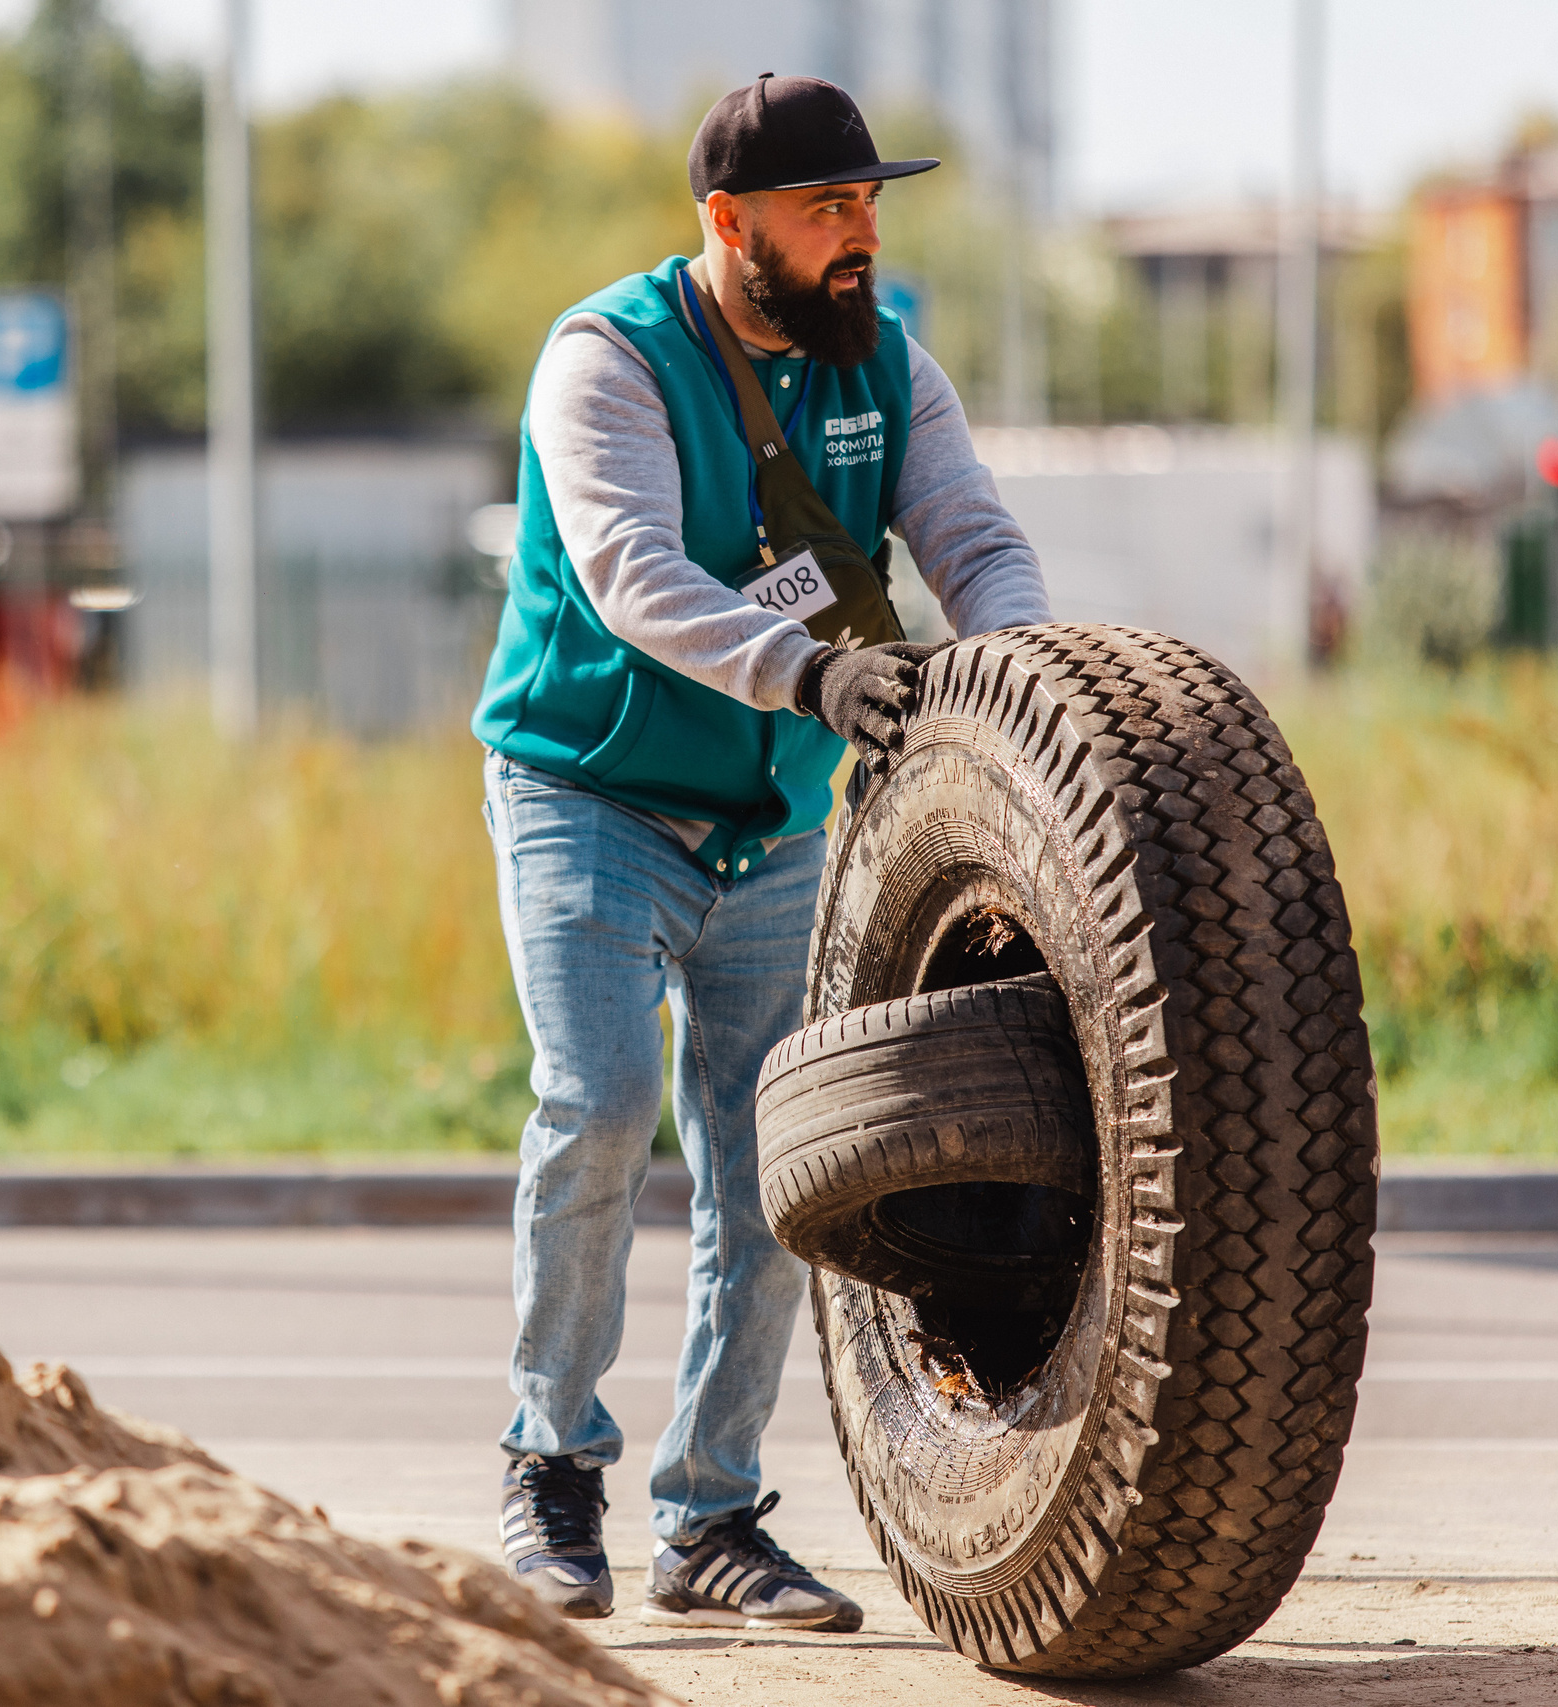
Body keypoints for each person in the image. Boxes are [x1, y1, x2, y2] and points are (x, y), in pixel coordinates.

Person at [472, 72, 1052, 1630]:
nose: (859, 234)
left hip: (780, 826)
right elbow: (630, 572)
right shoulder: (608, 358)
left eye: (869, 203)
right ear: (729, 225)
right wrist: (810, 673)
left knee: (771, 1173)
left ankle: (711, 1520)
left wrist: (1036, 702)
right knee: (595, 1108)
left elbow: (974, 543)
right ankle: (551, 1468)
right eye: (825, 209)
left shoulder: (889, 367)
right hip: (589, 794)